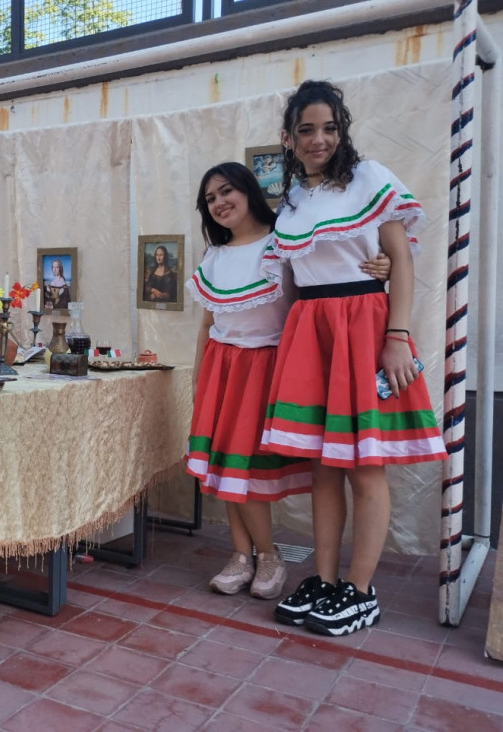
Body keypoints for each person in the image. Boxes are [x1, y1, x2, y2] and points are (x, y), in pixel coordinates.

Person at [262, 80, 447, 636]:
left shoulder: (370, 180)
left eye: (328, 128)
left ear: (341, 131)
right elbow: (292, 280)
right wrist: (290, 344)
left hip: (364, 326)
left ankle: (361, 590)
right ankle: (324, 578)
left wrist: (397, 335)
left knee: (366, 464)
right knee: (324, 464)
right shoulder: (291, 201)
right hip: (311, 331)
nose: (319, 139)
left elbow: (401, 262)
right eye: (306, 129)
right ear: (289, 139)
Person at [185, 162, 390, 600]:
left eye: (227, 191)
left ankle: (268, 554)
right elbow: (207, 324)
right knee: (223, 466)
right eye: (210, 199)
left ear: (248, 191)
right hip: (223, 367)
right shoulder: (213, 256)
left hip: (268, 366)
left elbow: (326, 274)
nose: (220, 203)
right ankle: (242, 554)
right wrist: (201, 377)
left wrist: (383, 263)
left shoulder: (282, 242)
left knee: (244, 467)